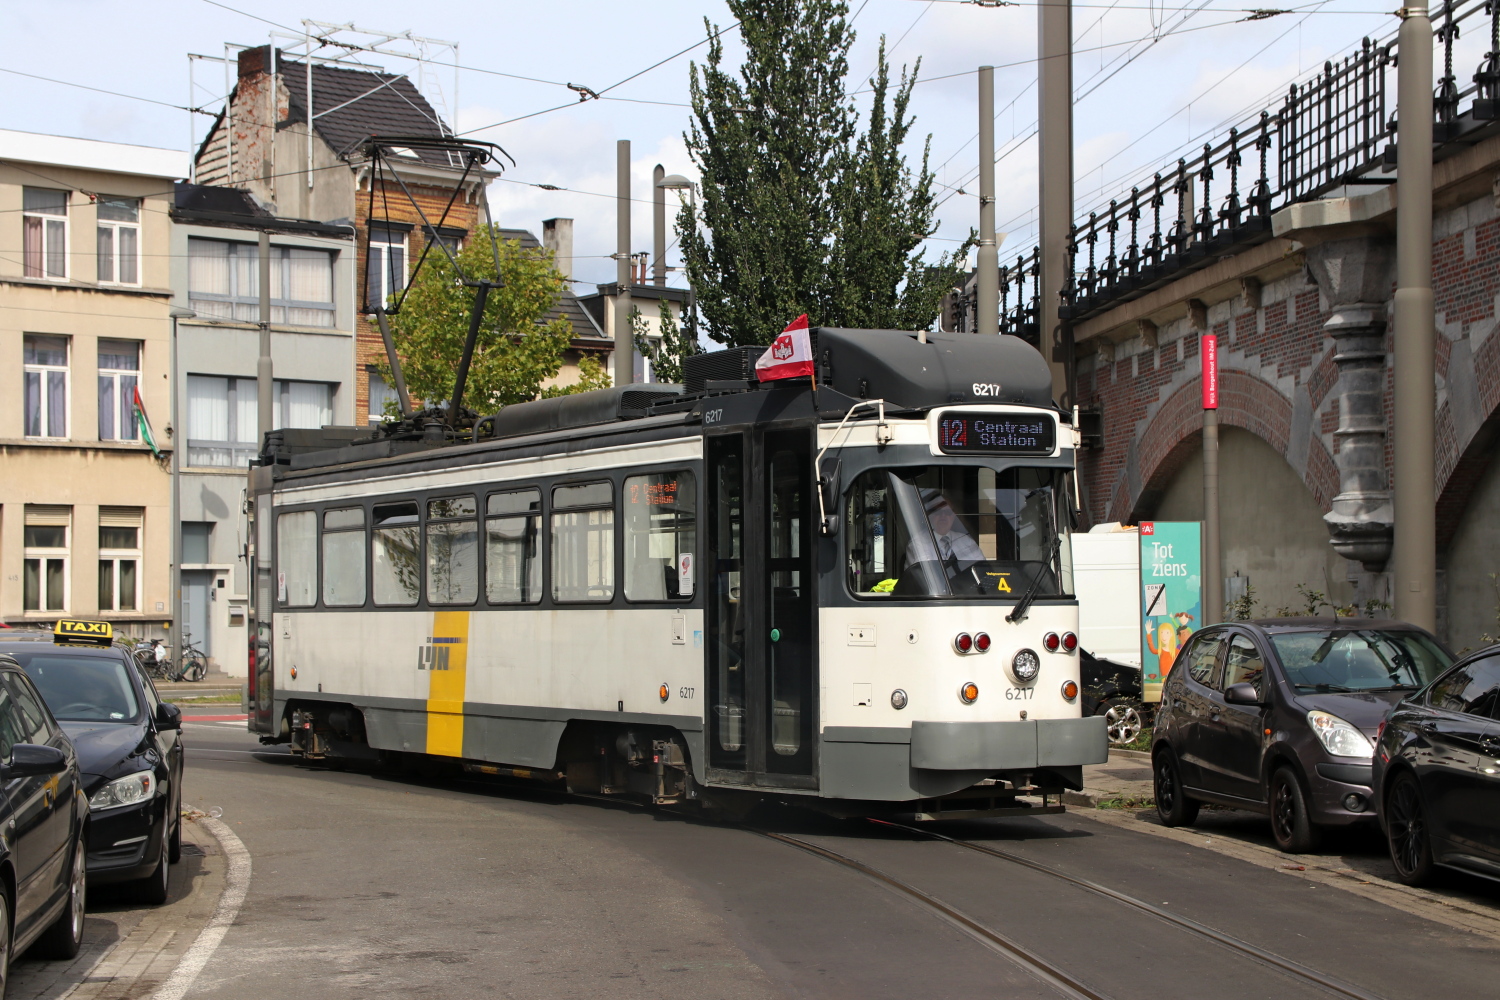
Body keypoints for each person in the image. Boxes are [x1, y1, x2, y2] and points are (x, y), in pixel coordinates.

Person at [905, 490, 986, 582]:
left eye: (948, 512)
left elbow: (982, 571)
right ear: (929, 515)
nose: (943, 516)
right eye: (938, 512)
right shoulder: (918, 543)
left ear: (954, 515)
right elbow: (922, 578)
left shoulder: (967, 541)